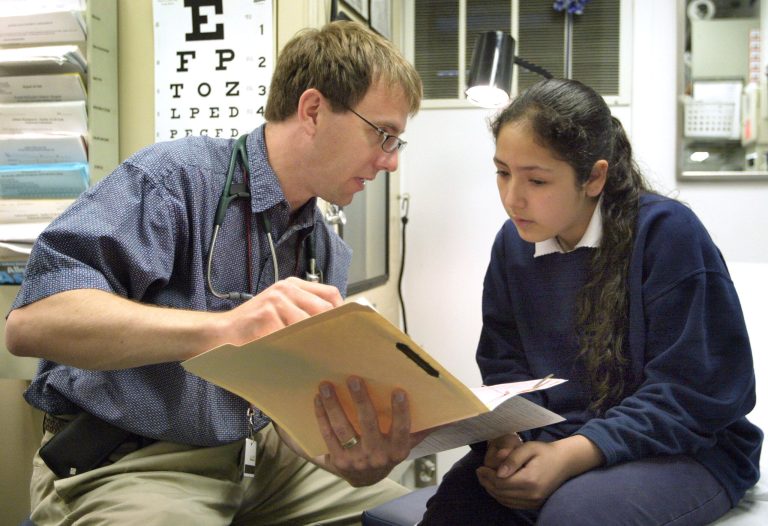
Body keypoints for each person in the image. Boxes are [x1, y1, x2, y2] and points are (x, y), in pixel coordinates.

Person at [6, 21, 423, 525]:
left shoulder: (323, 249)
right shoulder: (175, 180)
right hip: (132, 461)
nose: (390, 161)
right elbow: (31, 323)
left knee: (411, 514)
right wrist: (223, 329)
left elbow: (289, 406)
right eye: (383, 134)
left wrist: (347, 459)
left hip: (260, 459)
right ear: (313, 110)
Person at [420, 78, 763, 525]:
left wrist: (572, 455)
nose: (511, 198)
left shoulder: (667, 235)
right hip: (560, 439)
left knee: (579, 514)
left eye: (537, 180)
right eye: (502, 172)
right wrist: (505, 437)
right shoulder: (513, 245)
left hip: (690, 449)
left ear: (594, 177)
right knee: (458, 506)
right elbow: (505, 367)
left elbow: (692, 394)